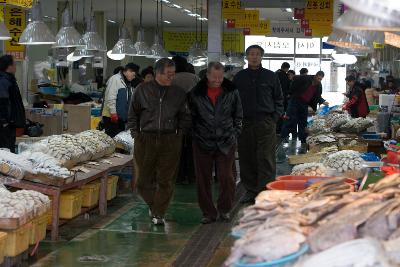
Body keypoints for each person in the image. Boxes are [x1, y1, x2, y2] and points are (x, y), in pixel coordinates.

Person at [128, 58, 191, 226]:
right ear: (158, 73)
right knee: (142, 182)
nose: (172, 77)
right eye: (168, 74)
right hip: (145, 139)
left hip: (170, 140)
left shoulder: (178, 93)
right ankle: (155, 206)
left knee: (166, 180)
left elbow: (185, 116)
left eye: (173, 73)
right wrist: (135, 133)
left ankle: (159, 213)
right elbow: (133, 114)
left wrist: (180, 134)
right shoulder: (142, 90)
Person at [189, 62, 243, 224]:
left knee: (227, 177)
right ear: (207, 75)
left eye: (220, 77)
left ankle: (224, 209)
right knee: (203, 179)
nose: (218, 80)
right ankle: (208, 213)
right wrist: (196, 135)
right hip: (202, 141)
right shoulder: (196, 93)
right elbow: (190, 117)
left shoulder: (231, 91)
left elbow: (238, 114)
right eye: (214, 77)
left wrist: (234, 133)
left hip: (226, 141)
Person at [233, 45, 284, 204]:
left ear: (261, 57)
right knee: (247, 157)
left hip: (265, 122)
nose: (254, 57)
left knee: (266, 158)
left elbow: (279, 99)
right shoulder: (239, 77)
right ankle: (250, 190)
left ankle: (265, 191)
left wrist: (274, 118)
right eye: (251, 54)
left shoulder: (270, 76)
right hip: (245, 123)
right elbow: (232, 100)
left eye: (257, 54)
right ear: (247, 57)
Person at [281, 71, 329, 153]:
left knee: (303, 122)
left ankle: (303, 140)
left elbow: (317, 96)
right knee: (290, 119)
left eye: (321, 79)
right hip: (295, 101)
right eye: (318, 78)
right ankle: (284, 138)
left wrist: (323, 101)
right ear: (315, 75)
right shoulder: (306, 78)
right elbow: (294, 80)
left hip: (304, 104)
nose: (319, 80)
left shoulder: (318, 85)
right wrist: (291, 93)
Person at [172, 56, 200, 184]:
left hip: (175, 118)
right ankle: (192, 176)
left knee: (177, 149)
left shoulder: (172, 78)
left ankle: (178, 177)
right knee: (192, 148)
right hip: (193, 118)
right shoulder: (194, 78)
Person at [102, 63, 137, 137]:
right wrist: (113, 113)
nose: (134, 77)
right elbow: (111, 97)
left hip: (120, 118)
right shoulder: (115, 79)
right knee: (111, 140)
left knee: (119, 140)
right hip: (111, 117)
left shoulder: (127, 82)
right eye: (133, 75)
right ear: (129, 71)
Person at [0, 55, 25, 153]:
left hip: (9, 124)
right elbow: (2, 103)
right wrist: (4, 122)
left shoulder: (9, 80)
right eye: (14, 64)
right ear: (9, 66)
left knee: (9, 149)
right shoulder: (3, 81)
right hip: (4, 126)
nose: (15, 67)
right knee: (5, 152)